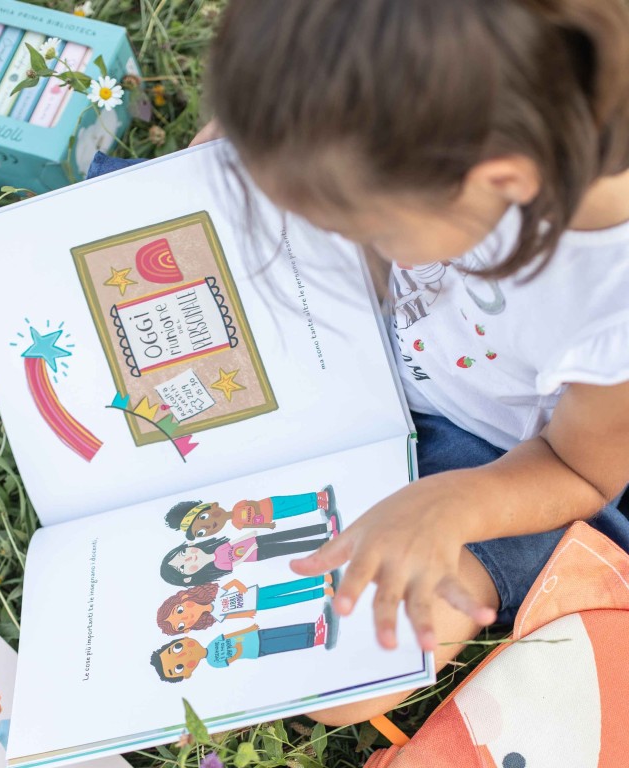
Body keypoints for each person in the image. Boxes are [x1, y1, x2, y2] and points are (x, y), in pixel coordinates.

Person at [197, 0, 629, 725]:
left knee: (347, 678)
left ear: (502, 180)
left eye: (365, 221)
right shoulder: (462, 113)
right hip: (385, 350)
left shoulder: (611, 314)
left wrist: (450, 506)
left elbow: (580, 472)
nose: (347, 231)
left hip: (504, 460)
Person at [150, 604, 338, 682]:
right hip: (256, 649)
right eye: (179, 666)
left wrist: (249, 629)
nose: (184, 654)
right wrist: (239, 651)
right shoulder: (213, 662)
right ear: (187, 673)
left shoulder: (213, 643)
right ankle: (315, 638)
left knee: (283, 632)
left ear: (184, 639)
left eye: (177, 648)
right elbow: (230, 660)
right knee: (284, 643)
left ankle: (314, 627)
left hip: (255, 636)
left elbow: (231, 635)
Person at [159, 516, 340, 587]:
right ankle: (326, 542)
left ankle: (325, 527)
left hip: (256, 541)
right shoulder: (219, 564)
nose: (189, 558)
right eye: (183, 567)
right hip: (257, 553)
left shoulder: (217, 549)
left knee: (289, 534)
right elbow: (237, 561)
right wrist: (250, 549)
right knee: (289, 548)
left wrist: (249, 536)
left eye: (183, 554)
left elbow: (233, 543)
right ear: (188, 578)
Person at [156, 573, 338, 633]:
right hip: (255, 606)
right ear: (187, 629)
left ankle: (322, 579)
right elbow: (231, 616)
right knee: (288, 600)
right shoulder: (215, 615)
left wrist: (240, 587)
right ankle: (322, 592)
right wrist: (246, 614)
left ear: (184, 598)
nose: (187, 616)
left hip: (256, 593)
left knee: (287, 587)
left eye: (179, 611)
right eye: (182, 624)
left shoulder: (214, 596)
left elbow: (232, 584)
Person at [164, 486, 335, 540]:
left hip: (271, 503)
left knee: (293, 501)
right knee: (294, 511)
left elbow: (252, 503)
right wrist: (267, 525)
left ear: (213, 506)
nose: (209, 526)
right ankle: (319, 505)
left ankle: (318, 497)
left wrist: (258, 511)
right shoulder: (237, 524)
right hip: (272, 515)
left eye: (204, 517)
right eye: (201, 532)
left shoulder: (237, 506)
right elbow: (253, 524)